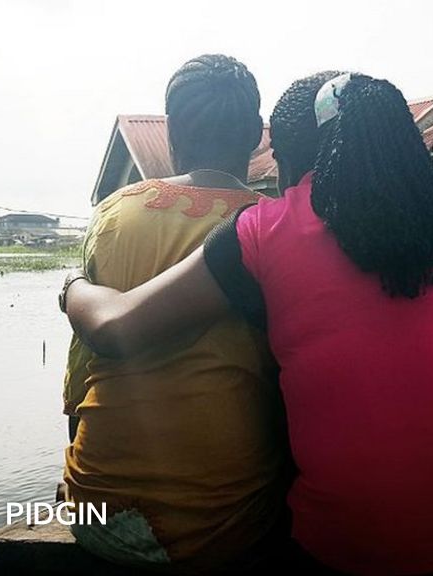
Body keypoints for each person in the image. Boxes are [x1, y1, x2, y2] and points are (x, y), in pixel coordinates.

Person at [62, 72, 433, 575]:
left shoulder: (263, 230)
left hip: (350, 556)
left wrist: (73, 287)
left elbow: (115, 329)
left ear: (285, 161)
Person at [61, 54, 288, 572]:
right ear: (255, 135)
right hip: (229, 520)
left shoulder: (114, 211)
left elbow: (80, 368)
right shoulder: (272, 226)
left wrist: (77, 481)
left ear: (172, 131)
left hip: (98, 510)